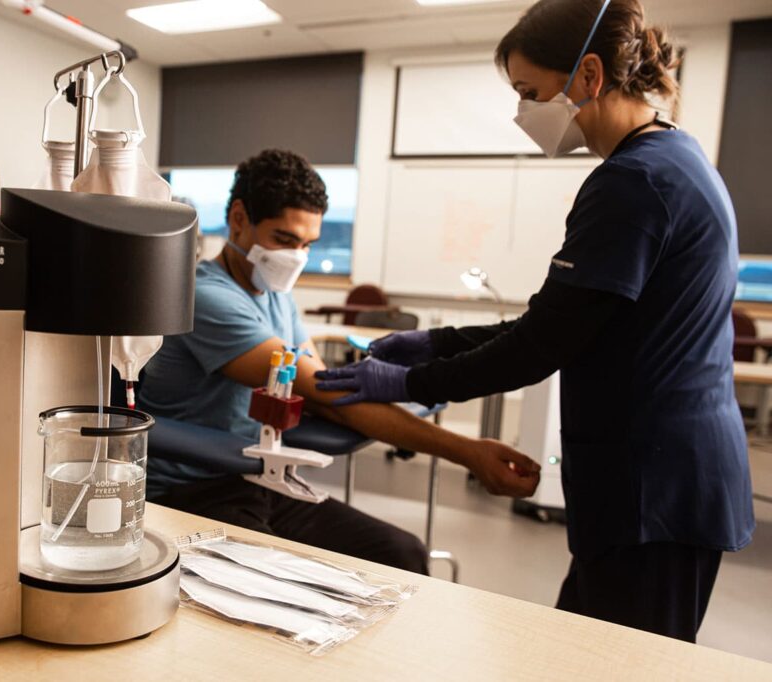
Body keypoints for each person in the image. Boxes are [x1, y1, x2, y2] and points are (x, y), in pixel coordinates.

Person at [316, 0, 754, 642]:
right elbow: (566, 320)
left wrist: (407, 383)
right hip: (664, 478)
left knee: (620, 662)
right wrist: (430, 342)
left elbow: (539, 346)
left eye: (529, 92)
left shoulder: (635, 183)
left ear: (589, 75)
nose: (523, 111)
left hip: (652, 489)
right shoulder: (675, 159)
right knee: (588, 650)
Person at [140, 149, 540, 575]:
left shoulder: (276, 294)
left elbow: (323, 385)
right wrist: (468, 452)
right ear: (239, 218)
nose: (296, 257)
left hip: (257, 478)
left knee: (400, 552)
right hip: (192, 488)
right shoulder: (208, 298)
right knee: (283, 588)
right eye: (284, 240)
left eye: (308, 244)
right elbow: (326, 390)